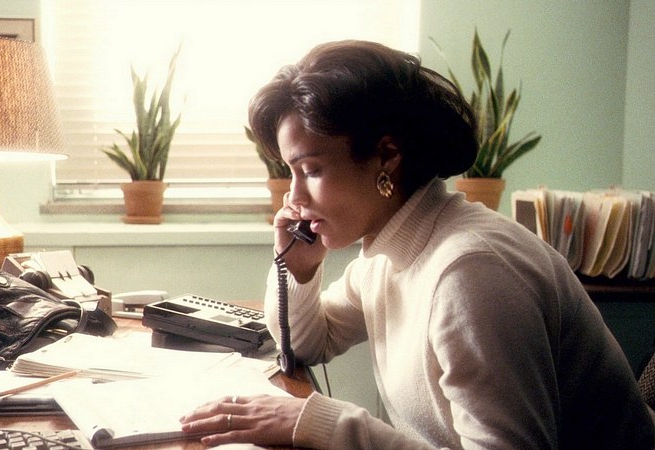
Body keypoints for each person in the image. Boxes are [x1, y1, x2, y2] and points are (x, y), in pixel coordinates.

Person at [179, 40, 655, 449]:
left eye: (311, 170)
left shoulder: (470, 273)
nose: (294, 198)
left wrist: (331, 425)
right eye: (290, 172)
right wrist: (299, 272)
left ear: (387, 156)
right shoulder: (389, 251)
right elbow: (307, 344)